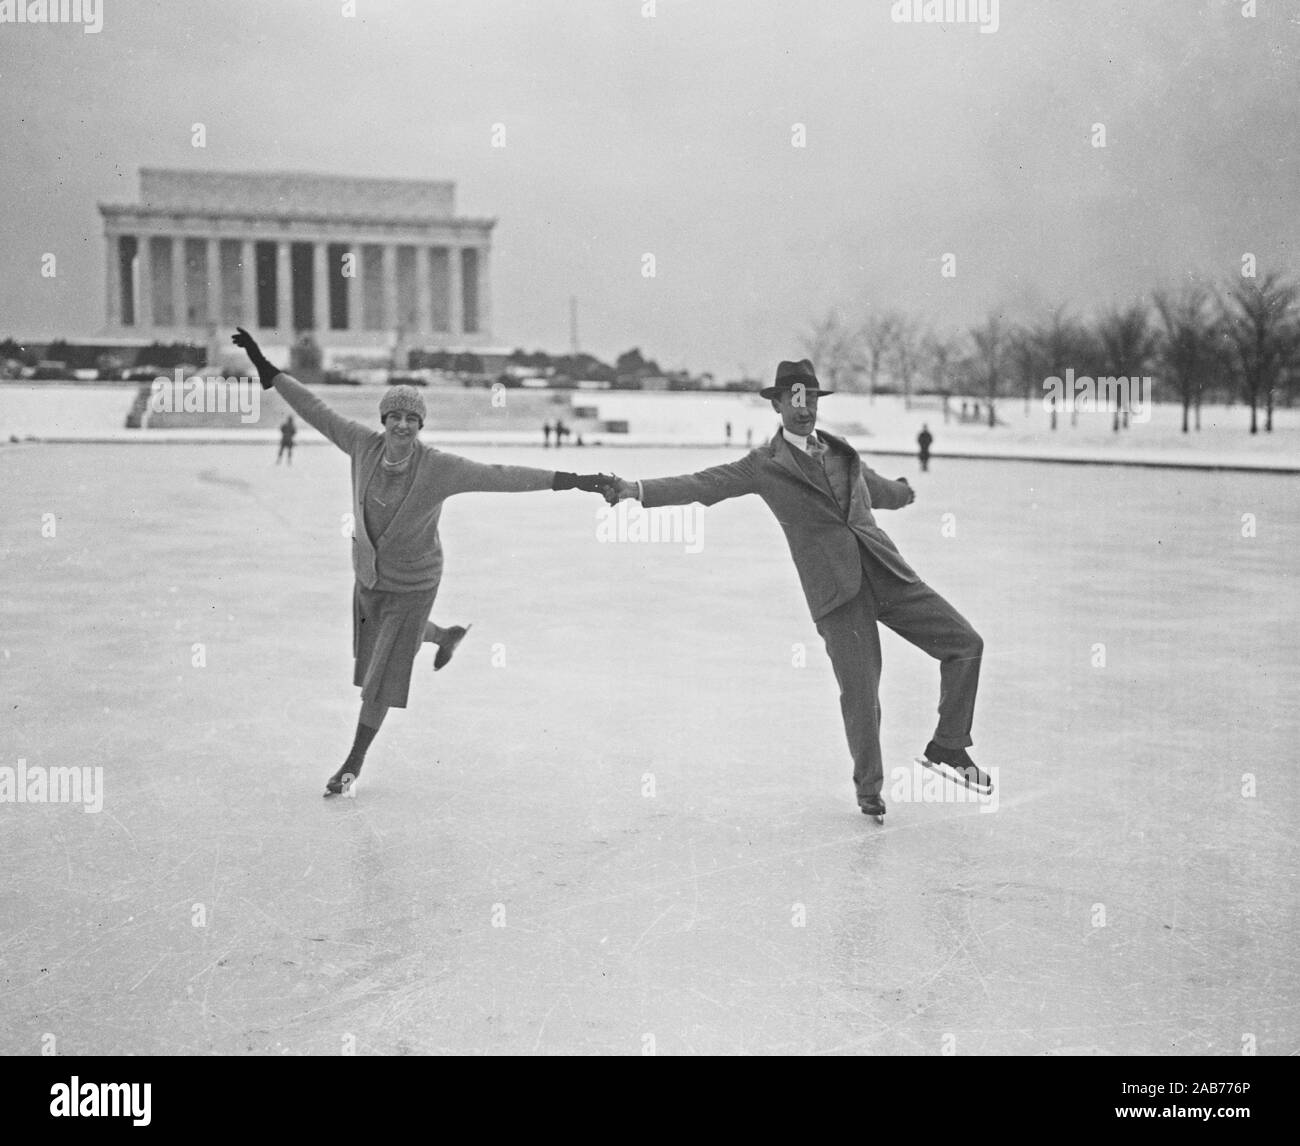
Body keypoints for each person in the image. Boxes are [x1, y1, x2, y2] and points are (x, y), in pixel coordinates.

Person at [233, 328, 615, 797]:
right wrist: (265, 367)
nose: (402, 426)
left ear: (421, 425)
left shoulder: (437, 468)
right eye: (394, 416)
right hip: (370, 578)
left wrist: (574, 480)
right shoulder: (361, 445)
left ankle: (353, 762)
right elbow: (315, 410)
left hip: (414, 583)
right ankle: (446, 634)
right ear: (383, 419)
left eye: (412, 418)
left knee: (380, 680)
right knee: (383, 653)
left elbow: (501, 477)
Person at [602, 358, 988, 820]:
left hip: (888, 573)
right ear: (779, 404)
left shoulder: (842, 454)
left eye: (811, 398)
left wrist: (902, 493)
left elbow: (875, 490)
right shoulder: (764, 466)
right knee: (861, 695)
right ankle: (870, 790)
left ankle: (948, 745)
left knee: (965, 644)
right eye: (794, 399)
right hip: (837, 594)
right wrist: (635, 489)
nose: (803, 408)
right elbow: (705, 483)